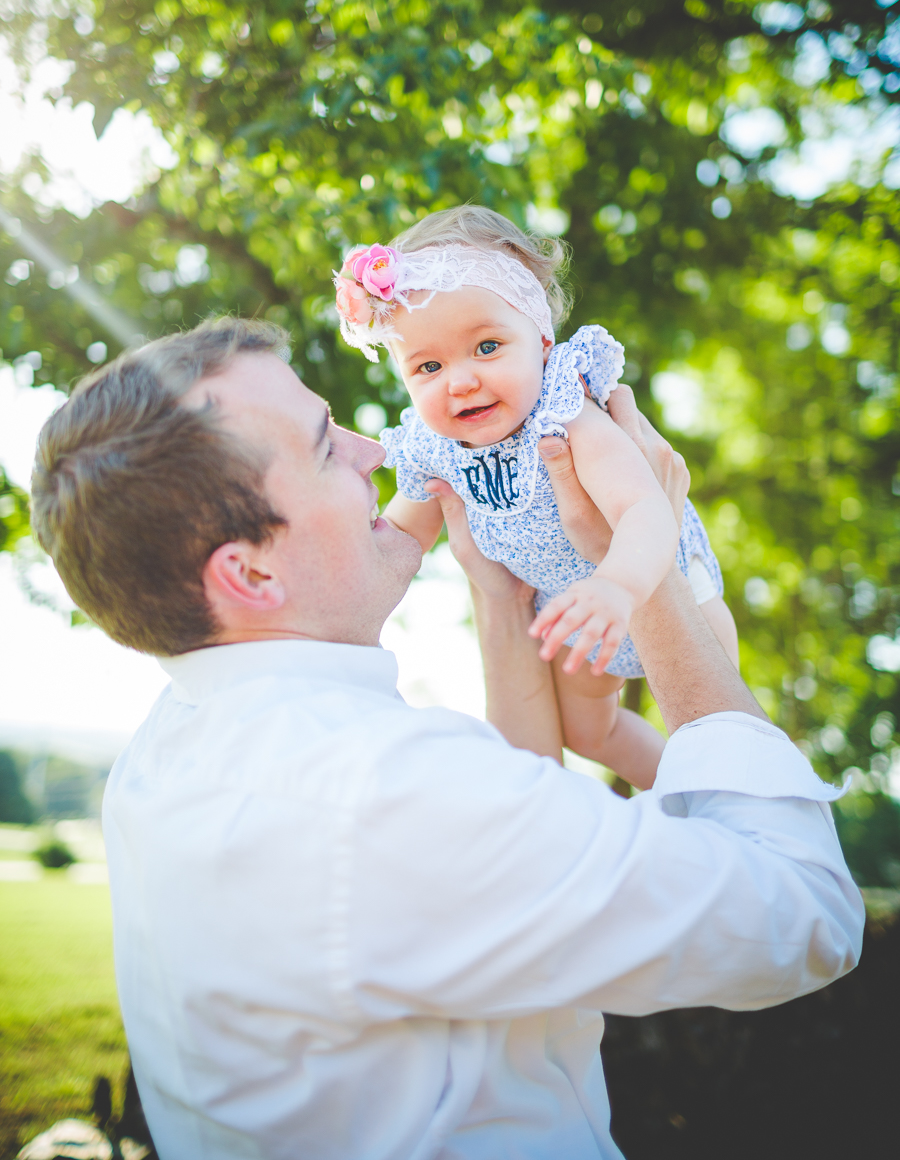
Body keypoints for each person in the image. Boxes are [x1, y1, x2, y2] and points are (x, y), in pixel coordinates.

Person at [30, 317, 863, 1160]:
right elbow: (804, 913)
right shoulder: (381, 794)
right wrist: (654, 576)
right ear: (248, 573)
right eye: (326, 449)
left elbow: (512, 863)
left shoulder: (169, 753)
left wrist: (500, 606)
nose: (376, 451)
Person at [334, 204, 737, 789]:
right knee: (590, 734)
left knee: (717, 730)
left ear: (542, 341)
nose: (461, 380)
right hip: (576, 614)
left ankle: (722, 790)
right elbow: (395, 540)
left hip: (662, 582)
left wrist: (620, 586)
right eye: (427, 365)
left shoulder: (564, 413)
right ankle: (686, 801)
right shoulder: (435, 448)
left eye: (488, 347)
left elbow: (644, 506)